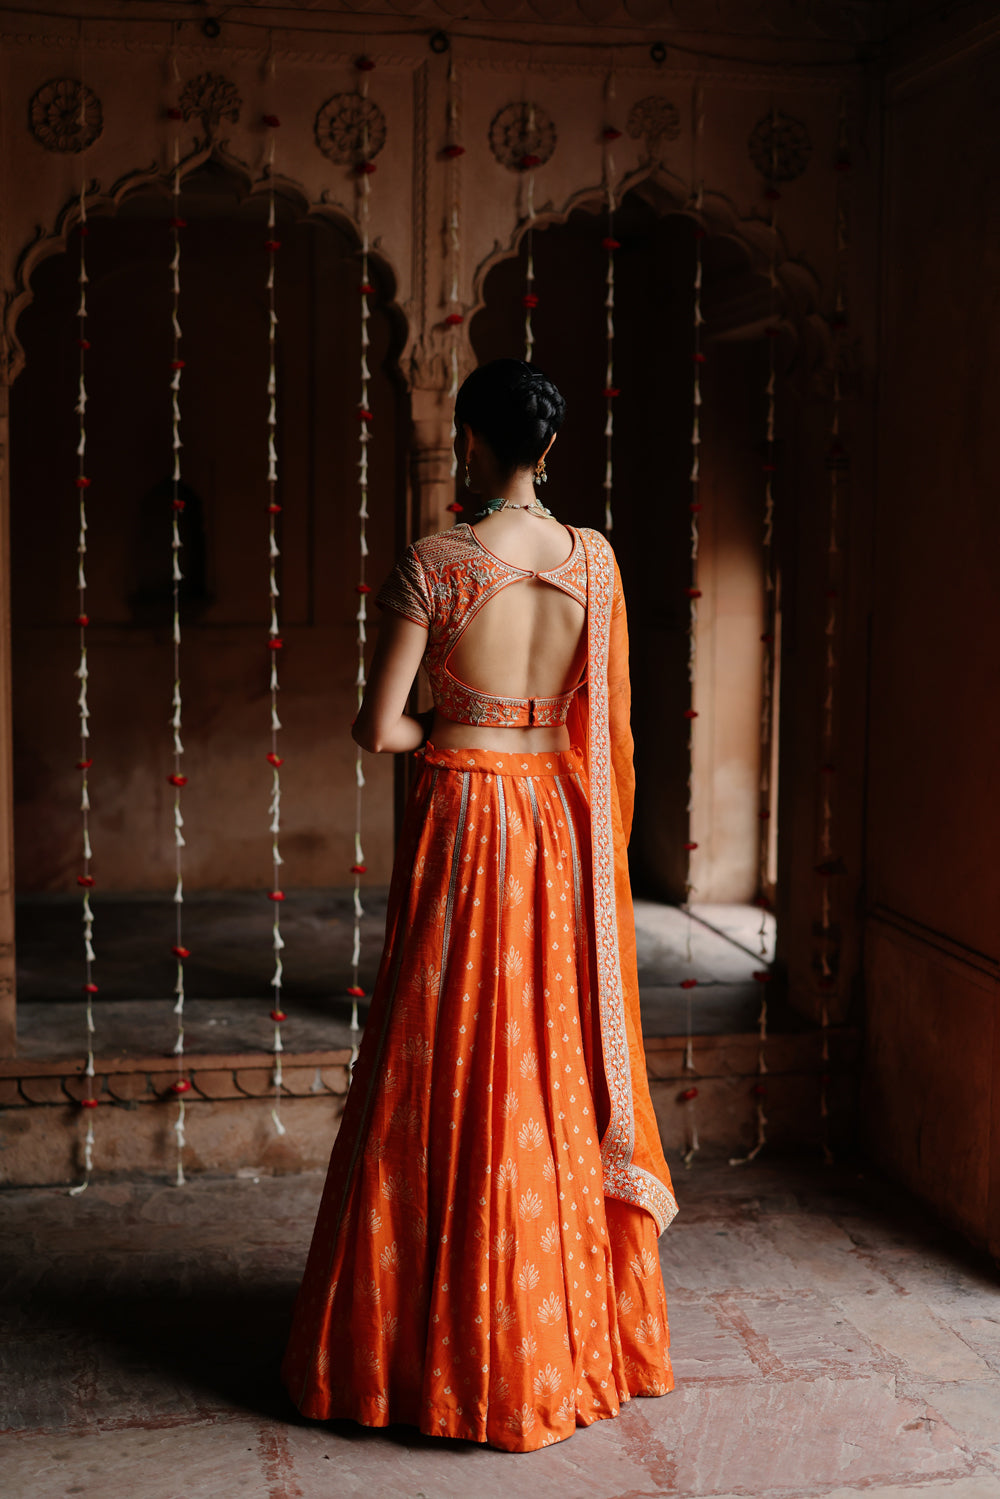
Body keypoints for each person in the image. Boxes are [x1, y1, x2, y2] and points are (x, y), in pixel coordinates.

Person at [280, 359, 678, 1452]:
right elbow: (608, 728)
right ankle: (545, 1342)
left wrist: (452, 736)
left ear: (470, 443)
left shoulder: (437, 562)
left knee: (442, 1051)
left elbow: (377, 727)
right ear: (546, 450)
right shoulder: (594, 563)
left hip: (465, 820)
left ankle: (421, 1348)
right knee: (544, 1058)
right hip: (553, 822)